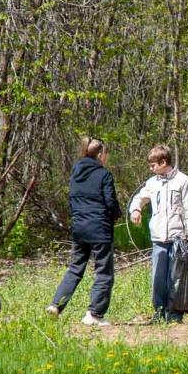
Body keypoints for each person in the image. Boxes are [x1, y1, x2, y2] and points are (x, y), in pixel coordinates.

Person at [47, 137, 121, 326]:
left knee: (75, 268)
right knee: (104, 271)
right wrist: (116, 214)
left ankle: (55, 306)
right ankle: (94, 314)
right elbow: (110, 202)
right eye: (106, 155)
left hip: (79, 228)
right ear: (100, 154)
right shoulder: (104, 175)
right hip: (100, 229)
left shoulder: (75, 174)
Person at [129, 144, 188, 323]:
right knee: (158, 278)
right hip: (158, 238)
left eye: (153, 165)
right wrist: (135, 210)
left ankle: (175, 314)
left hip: (178, 238)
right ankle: (159, 312)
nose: (151, 169)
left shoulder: (184, 181)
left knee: (175, 278)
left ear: (164, 162)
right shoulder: (152, 183)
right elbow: (139, 198)